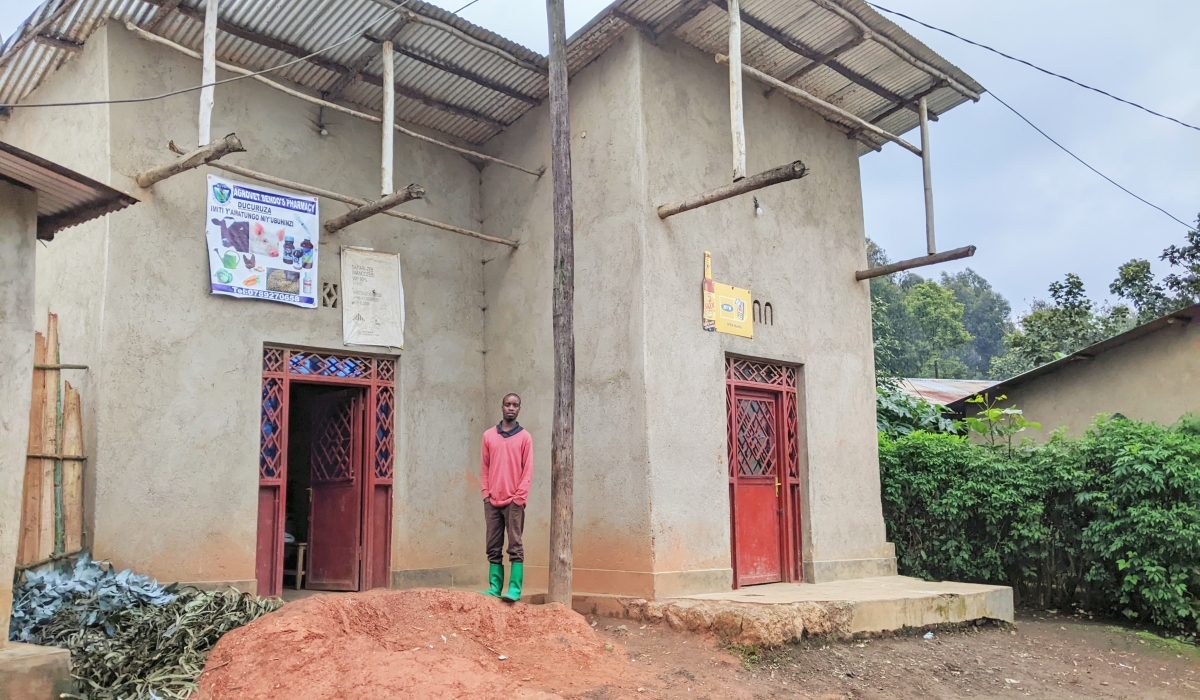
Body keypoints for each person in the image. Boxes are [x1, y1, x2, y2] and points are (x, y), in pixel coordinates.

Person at [478, 392, 533, 601]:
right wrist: (485, 494)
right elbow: (485, 467)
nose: (511, 408)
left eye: (515, 405)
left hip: (514, 501)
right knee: (493, 545)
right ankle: (494, 587)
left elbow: (528, 470)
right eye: (507, 404)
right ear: (502, 407)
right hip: (492, 500)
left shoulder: (525, 437)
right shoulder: (488, 436)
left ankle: (514, 590)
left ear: (519, 409)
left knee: (515, 544)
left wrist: (519, 498)